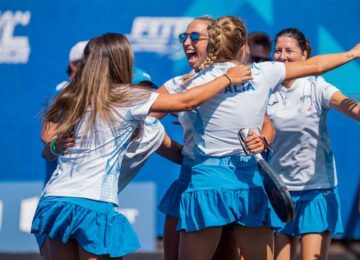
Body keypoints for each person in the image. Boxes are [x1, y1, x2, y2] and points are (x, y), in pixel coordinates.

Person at [31, 32, 252, 260]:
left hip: (54, 202)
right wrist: (227, 78)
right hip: (93, 204)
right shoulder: (127, 97)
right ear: (122, 63)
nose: (148, 93)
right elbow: (185, 101)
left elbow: (47, 147)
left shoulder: (75, 96)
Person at [165, 16, 359, 260]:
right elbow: (318, 65)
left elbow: (152, 104)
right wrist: (351, 54)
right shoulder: (262, 72)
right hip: (248, 181)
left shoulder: (193, 81)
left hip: (219, 181)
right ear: (243, 47)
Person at [156, 16, 274, 260]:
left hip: (233, 181)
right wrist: (172, 149)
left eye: (195, 37)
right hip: (193, 181)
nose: (187, 43)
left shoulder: (239, 78)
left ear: (216, 43)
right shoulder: (180, 84)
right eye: (184, 37)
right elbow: (142, 118)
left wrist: (263, 140)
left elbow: (265, 124)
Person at [266, 27, 360, 260]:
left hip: (317, 191)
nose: (282, 56)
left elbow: (350, 107)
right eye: (277, 51)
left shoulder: (317, 86)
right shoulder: (265, 88)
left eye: (289, 50)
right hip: (279, 192)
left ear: (305, 55)